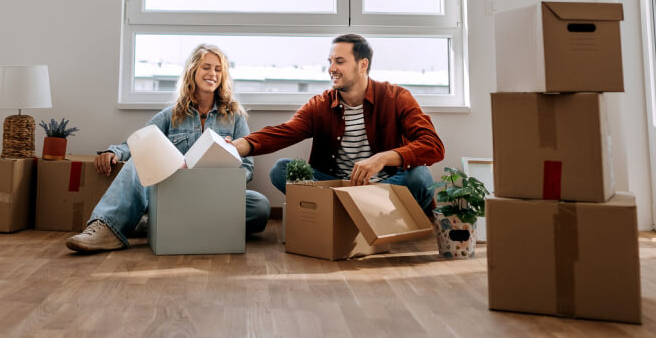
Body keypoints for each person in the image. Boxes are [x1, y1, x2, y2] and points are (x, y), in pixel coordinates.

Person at [66, 44, 270, 253]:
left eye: (218, 69)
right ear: (193, 71)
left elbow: (247, 166)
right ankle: (106, 228)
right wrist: (113, 152)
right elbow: (140, 142)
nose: (213, 74)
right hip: (175, 191)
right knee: (140, 159)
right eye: (206, 67)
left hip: (216, 194)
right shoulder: (171, 115)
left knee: (260, 206)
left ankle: (153, 224)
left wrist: (219, 180)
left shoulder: (235, 117)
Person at [229, 34, 444, 214]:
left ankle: (348, 213)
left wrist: (381, 159)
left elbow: (433, 145)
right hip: (338, 187)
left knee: (421, 178)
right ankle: (363, 213)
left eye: (339, 61)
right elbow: (284, 132)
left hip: (385, 187)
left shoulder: (396, 97)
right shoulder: (320, 104)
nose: (331, 68)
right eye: (329, 61)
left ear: (363, 65)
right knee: (281, 170)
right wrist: (241, 145)